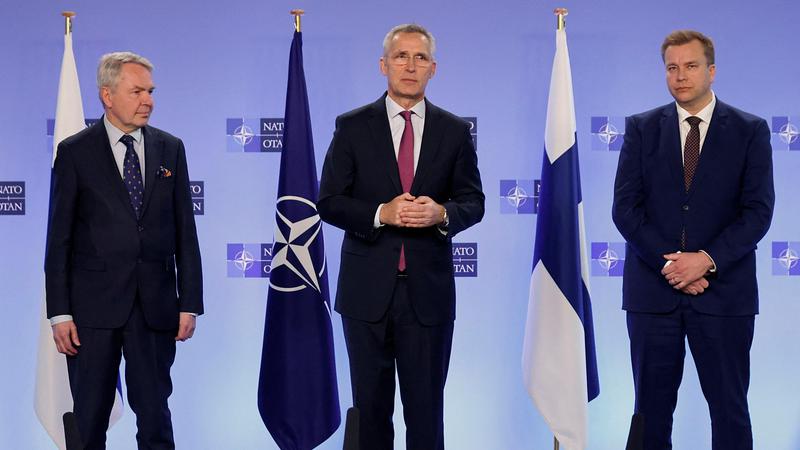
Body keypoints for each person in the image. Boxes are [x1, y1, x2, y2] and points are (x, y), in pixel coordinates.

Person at [318, 24, 484, 450]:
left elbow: (474, 202)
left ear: (433, 68)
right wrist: (380, 213)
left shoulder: (454, 130)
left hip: (428, 296)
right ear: (383, 65)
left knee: (426, 416)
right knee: (370, 415)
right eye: (401, 56)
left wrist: (441, 213)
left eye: (420, 58)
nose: (410, 66)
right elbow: (329, 201)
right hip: (365, 295)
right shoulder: (352, 126)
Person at [612, 30, 774, 449]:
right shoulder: (641, 128)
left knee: (729, 410)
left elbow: (757, 212)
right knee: (649, 413)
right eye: (672, 67)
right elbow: (625, 209)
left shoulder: (750, 130)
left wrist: (705, 260)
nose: (680, 76)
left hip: (724, 295)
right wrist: (671, 265)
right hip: (653, 296)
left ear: (711, 70)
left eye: (690, 66)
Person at [45, 52, 203, 449]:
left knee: (155, 416)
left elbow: (186, 232)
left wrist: (189, 303)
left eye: (150, 91)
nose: (148, 100)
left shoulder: (171, 148)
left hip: (155, 307)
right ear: (107, 95)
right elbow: (59, 239)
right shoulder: (75, 152)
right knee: (89, 419)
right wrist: (60, 312)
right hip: (92, 311)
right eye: (137, 92)